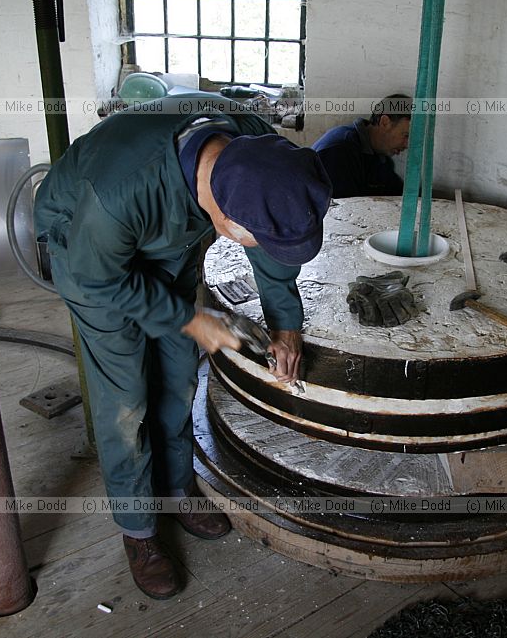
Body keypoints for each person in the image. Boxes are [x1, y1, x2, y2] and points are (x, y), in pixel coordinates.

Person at [33, 93, 332, 600]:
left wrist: (286, 324)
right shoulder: (118, 190)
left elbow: (271, 243)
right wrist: (191, 318)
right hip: (91, 259)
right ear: (225, 216)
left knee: (177, 374)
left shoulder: (258, 149)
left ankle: (176, 489)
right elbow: (97, 279)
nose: (257, 246)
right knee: (125, 398)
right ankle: (138, 528)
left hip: (165, 241)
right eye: (251, 238)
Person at [311, 94, 412, 198]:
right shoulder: (339, 150)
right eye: (406, 135)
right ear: (385, 122)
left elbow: (400, 195)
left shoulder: (381, 157)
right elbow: (342, 206)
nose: (407, 145)